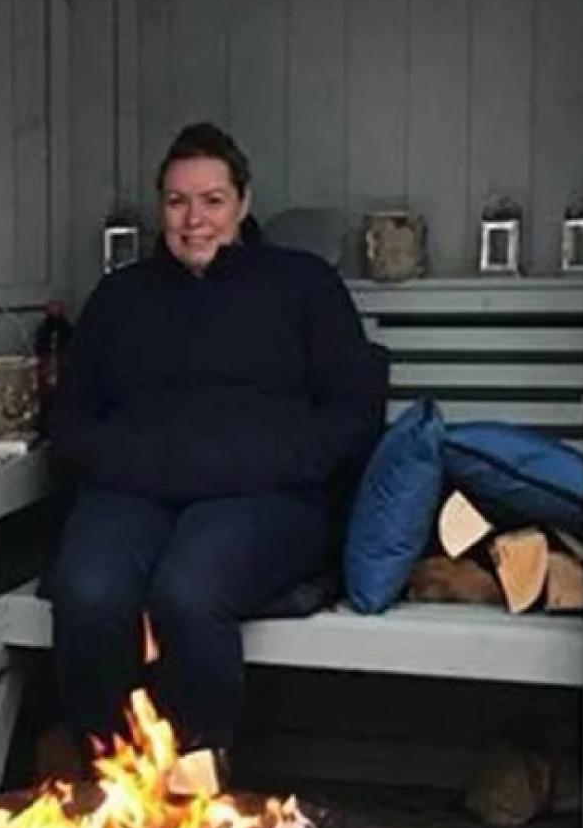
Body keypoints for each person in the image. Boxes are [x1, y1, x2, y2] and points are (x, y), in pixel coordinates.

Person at [48, 122, 386, 757]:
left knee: (188, 592)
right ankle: (111, 776)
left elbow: (352, 410)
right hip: (137, 490)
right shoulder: (121, 298)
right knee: (87, 591)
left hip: (264, 494)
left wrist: (277, 462)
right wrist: (133, 463)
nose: (193, 220)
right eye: (177, 202)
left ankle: (198, 781)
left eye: (212, 201)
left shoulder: (302, 285)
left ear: (243, 202)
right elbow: (71, 420)